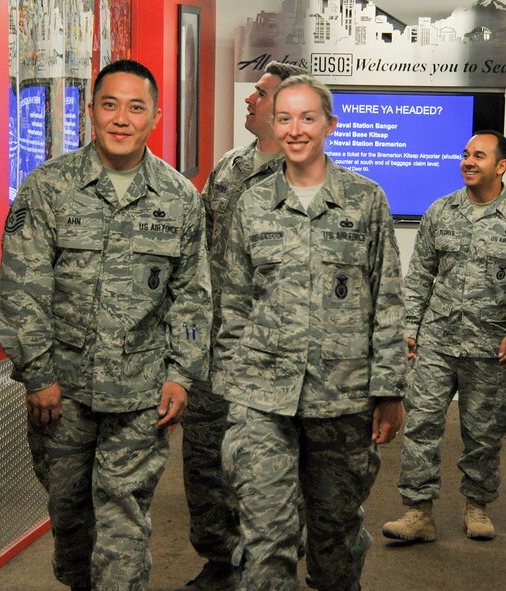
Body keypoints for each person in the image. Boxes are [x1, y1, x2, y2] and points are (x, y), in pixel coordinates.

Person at [0, 59, 211, 591]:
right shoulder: (48, 188)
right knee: (70, 521)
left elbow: (192, 296)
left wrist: (181, 375)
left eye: (136, 107)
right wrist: (38, 374)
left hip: (140, 396)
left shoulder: (180, 198)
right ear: (90, 112)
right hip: (62, 395)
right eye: (110, 105)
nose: (121, 118)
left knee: (123, 523)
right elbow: (22, 286)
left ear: (155, 117)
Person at [214, 74, 407, 591]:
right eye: (284, 118)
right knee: (266, 537)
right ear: (273, 126)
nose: (295, 129)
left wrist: (389, 392)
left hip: (341, 399)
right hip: (262, 399)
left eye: (307, 118)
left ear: (329, 126)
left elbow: (387, 299)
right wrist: (234, 390)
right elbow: (233, 302)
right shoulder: (252, 204)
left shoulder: (365, 201)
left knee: (335, 535)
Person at [382, 130, 506, 542]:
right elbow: (419, 275)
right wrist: (409, 328)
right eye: (465, 154)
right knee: (421, 424)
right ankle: (417, 511)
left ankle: (477, 505)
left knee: (484, 431)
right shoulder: (440, 211)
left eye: (479, 155)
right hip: (437, 340)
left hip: (491, 348)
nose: (468, 161)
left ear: (501, 165)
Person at [178, 60, 307, 591]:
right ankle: (216, 557)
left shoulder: (306, 177)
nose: (249, 100)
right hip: (214, 344)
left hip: (273, 349)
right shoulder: (228, 168)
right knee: (205, 455)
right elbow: (201, 252)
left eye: (260, 94)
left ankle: (267, 566)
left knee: (268, 465)